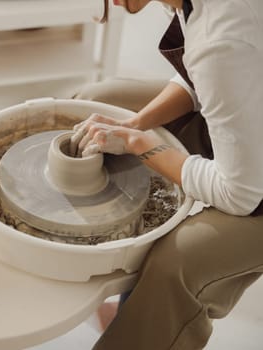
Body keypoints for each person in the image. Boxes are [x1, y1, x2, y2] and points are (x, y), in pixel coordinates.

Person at [69, 0, 263, 348]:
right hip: (250, 108)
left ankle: (149, 322)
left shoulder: (221, 41)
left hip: (255, 187)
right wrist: (134, 123)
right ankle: (135, 311)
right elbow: (201, 75)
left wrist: (141, 145)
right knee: (98, 101)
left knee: (178, 261)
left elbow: (242, 194)